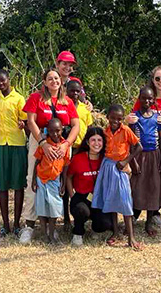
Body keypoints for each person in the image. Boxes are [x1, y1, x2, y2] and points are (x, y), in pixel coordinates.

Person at [20, 68, 81, 244]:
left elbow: (75, 125)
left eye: (56, 78)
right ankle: (29, 225)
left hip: (61, 144)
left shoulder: (66, 101)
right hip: (40, 142)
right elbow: (31, 121)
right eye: (50, 78)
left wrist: (66, 144)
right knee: (34, 179)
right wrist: (43, 143)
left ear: (61, 81)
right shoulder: (36, 98)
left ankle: (53, 226)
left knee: (57, 182)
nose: (54, 81)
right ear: (44, 82)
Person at [128, 66, 161, 229]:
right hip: (143, 144)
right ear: (152, 80)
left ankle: (154, 213)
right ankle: (135, 211)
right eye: (157, 78)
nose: (160, 82)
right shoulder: (145, 97)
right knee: (140, 177)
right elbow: (132, 119)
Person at [92, 104, 143, 250]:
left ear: (122, 119)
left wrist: (127, 161)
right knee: (111, 199)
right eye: (112, 118)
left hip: (120, 167)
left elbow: (138, 147)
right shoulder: (105, 132)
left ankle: (131, 237)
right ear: (107, 117)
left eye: (119, 119)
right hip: (107, 166)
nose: (115, 121)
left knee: (125, 200)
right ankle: (115, 232)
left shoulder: (126, 130)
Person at [129, 86, 161, 237]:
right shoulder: (135, 118)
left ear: (153, 100)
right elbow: (132, 141)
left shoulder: (157, 117)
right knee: (136, 187)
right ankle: (131, 219)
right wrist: (133, 161)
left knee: (153, 187)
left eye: (150, 98)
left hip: (154, 155)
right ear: (139, 99)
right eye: (144, 98)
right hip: (139, 156)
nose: (147, 101)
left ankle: (149, 222)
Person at [0, 68, 28, 238]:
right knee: (2, 186)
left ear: (9, 80)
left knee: (18, 185)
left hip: (17, 144)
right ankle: (5, 225)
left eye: (3, 81)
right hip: (1, 144)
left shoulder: (19, 99)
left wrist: (23, 124)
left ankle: (16, 224)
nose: (0, 84)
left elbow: (27, 121)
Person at [67, 127, 113, 246]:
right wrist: (73, 196)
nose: (96, 143)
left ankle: (96, 230)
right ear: (87, 142)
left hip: (99, 198)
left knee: (106, 223)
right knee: (81, 210)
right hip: (82, 197)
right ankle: (78, 233)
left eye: (99, 140)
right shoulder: (78, 158)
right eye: (93, 140)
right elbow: (69, 177)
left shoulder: (106, 159)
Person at [32, 118, 70, 243]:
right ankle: (44, 235)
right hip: (41, 180)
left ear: (62, 129)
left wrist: (63, 183)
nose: (54, 134)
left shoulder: (64, 147)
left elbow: (65, 167)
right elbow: (36, 162)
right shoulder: (44, 146)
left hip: (55, 181)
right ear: (47, 131)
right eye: (51, 131)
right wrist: (33, 180)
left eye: (57, 131)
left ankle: (52, 233)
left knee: (54, 208)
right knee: (42, 208)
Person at [64, 78, 93, 228]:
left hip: (81, 149)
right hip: (68, 149)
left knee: (81, 182)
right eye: (71, 91)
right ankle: (66, 219)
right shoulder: (63, 106)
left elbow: (89, 128)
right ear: (66, 91)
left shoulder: (84, 108)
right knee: (65, 180)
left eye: (77, 91)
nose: (74, 93)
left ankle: (82, 213)